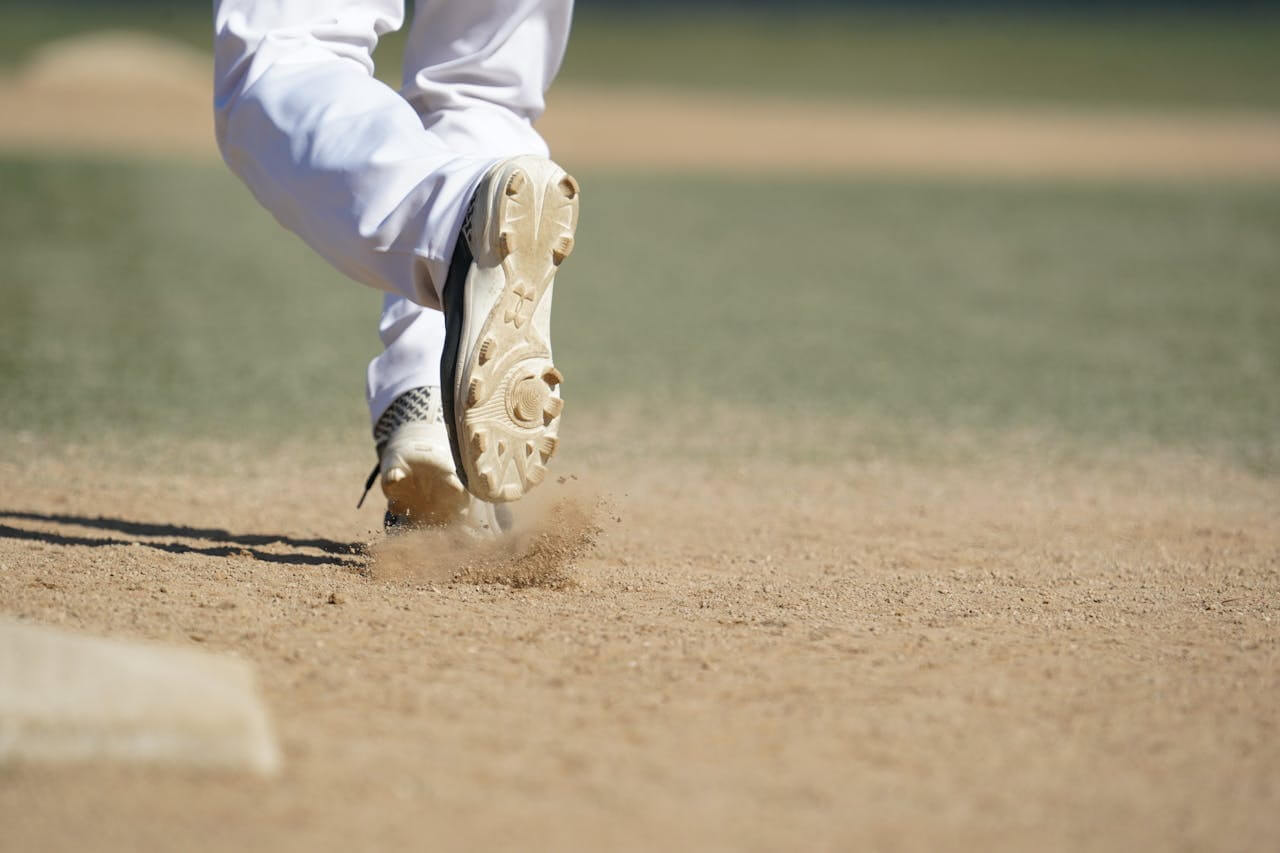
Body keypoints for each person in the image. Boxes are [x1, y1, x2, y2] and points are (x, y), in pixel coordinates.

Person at [212, 0, 579, 535]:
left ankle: (452, 224)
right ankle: (436, 396)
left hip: (452, 226)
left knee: (287, 50)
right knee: (482, 90)